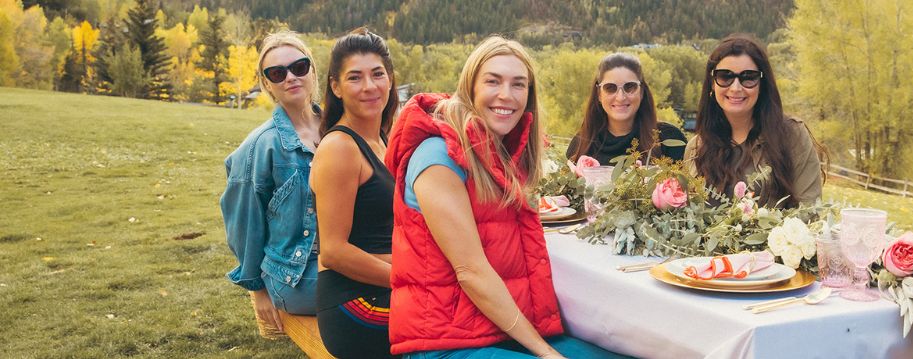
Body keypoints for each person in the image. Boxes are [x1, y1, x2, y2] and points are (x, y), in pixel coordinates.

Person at [385, 36, 628, 359]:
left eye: (518, 84)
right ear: (470, 86)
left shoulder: (496, 150)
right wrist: (545, 352)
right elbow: (471, 272)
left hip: (492, 328)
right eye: (493, 81)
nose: (506, 95)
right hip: (443, 343)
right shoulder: (438, 156)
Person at [221, 31, 323, 334]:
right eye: (278, 73)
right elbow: (243, 225)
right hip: (296, 273)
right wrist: (258, 290)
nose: (291, 77)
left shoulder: (338, 127)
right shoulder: (260, 147)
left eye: (299, 67)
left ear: (313, 70)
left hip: (347, 255)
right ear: (267, 84)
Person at [310, 28, 399, 359]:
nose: (369, 87)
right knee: (461, 321)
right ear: (336, 86)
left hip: (384, 288)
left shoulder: (383, 140)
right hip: (357, 305)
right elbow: (333, 251)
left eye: (377, 74)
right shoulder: (340, 148)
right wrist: (410, 280)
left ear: (390, 79)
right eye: (355, 77)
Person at [684, 34, 824, 208]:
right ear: (712, 83)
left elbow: (810, 211)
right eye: (725, 77)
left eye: (748, 77)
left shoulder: (791, 136)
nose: (736, 88)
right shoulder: (696, 148)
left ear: (762, 84)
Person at [567, 53, 686, 165]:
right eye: (610, 88)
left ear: (642, 91)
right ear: (599, 93)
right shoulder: (581, 144)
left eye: (630, 87)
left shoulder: (670, 140)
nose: (620, 97)